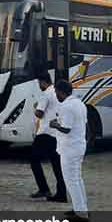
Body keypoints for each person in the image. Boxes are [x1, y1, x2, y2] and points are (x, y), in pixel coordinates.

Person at [49, 80, 89, 222]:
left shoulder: (66, 106)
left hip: (69, 148)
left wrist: (54, 124)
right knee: (77, 178)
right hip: (78, 145)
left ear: (60, 91)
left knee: (71, 180)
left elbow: (66, 129)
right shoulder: (79, 103)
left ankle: (81, 213)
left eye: (56, 92)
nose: (55, 94)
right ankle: (81, 208)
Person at [29, 72, 67, 202]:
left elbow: (39, 114)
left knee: (33, 159)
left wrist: (35, 108)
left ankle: (44, 188)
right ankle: (61, 193)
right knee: (56, 164)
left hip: (45, 132)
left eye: (39, 83)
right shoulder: (56, 93)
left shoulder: (46, 94)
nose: (39, 86)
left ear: (43, 82)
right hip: (56, 133)